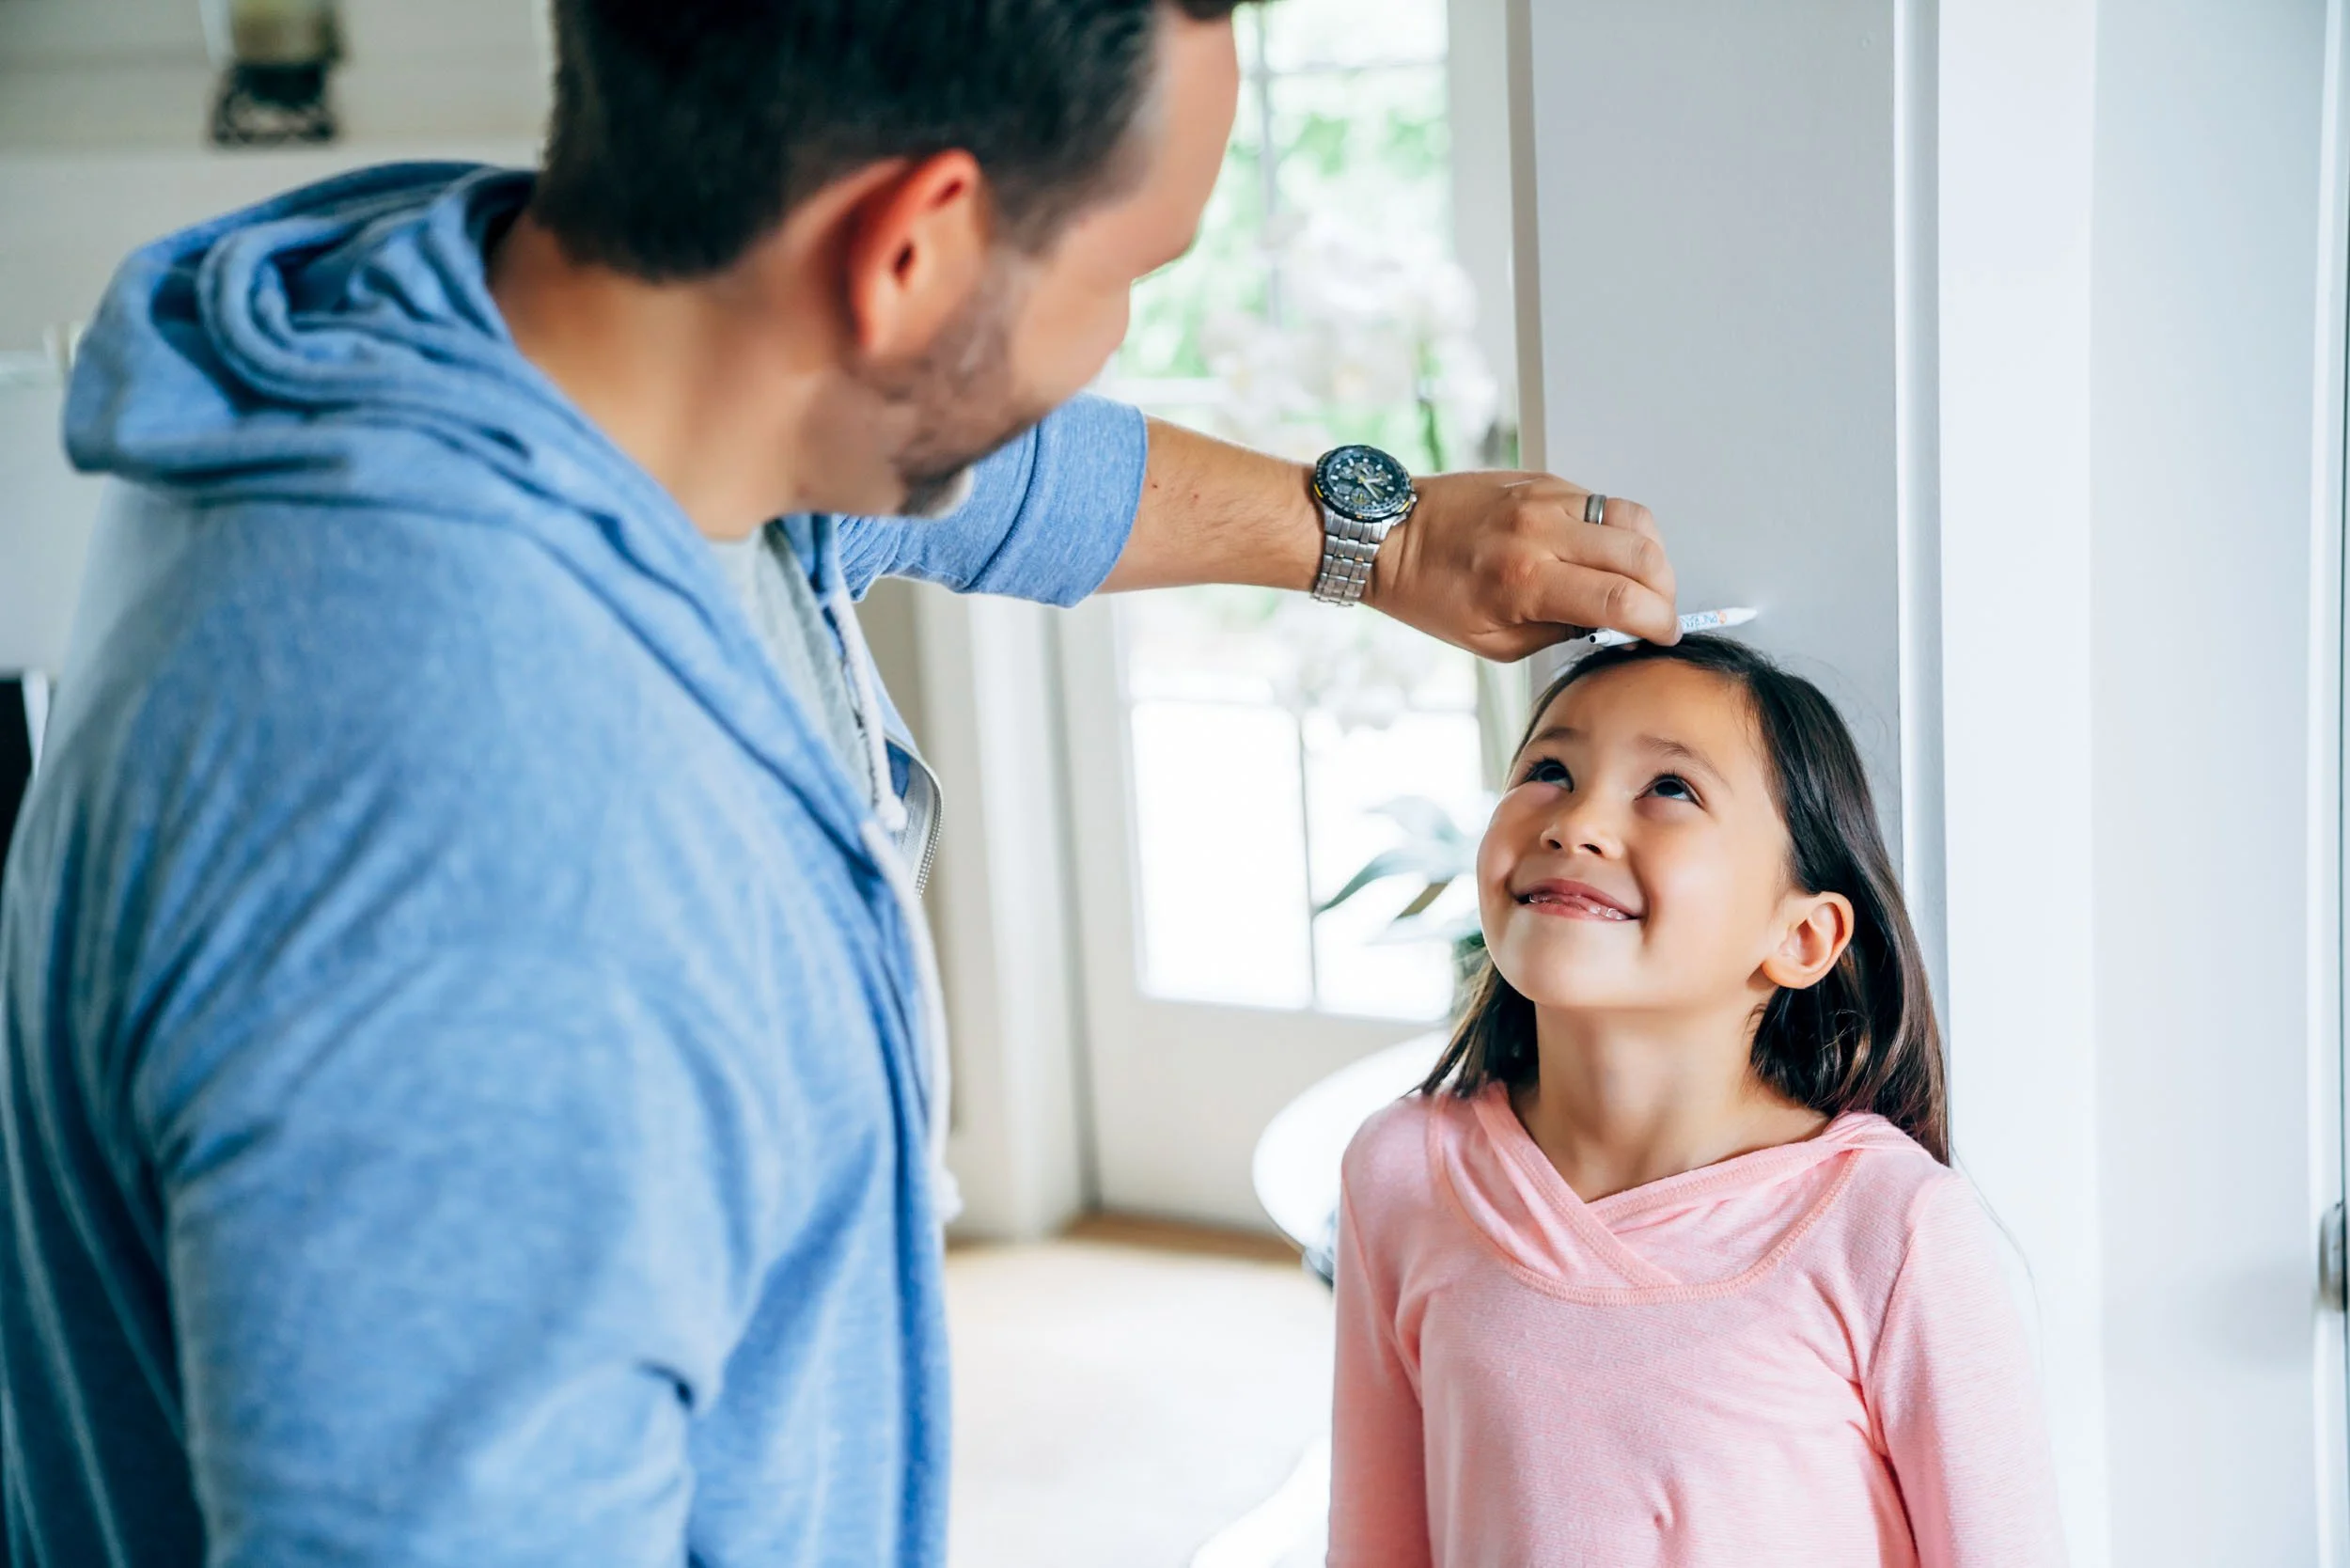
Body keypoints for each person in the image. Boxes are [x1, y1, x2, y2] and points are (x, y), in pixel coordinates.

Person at [0, 2, 1681, 1565]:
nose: (1111, 347)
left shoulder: (491, 331)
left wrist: (1372, 537)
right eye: (1126, 275)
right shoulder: (491, 884)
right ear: (905, 253)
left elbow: (989, 468)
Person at [1327, 636, 2066, 1567]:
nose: (1577, 821)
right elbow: (1373, 1542)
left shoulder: (1894, 1227)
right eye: (1550, 769)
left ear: (1800, 935)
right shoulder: (1399, 1172)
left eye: (1668, 788)